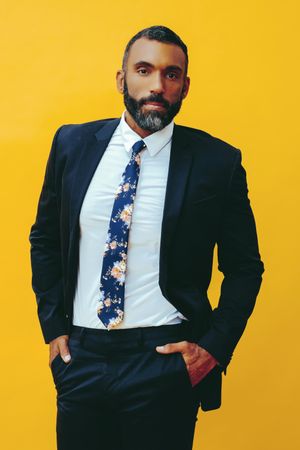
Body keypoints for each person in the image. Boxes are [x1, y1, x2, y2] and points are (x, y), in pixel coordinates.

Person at [29, 25, 264, 450]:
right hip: (82, 355)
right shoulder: (72, 144)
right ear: (122, 79)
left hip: (162, 361)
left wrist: (213, 349)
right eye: (144, 69)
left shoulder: (218, 162)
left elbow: (246, 267)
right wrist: (53, 328)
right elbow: (44, 238)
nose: (157, 85)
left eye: (171, 75)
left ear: (185, 86)